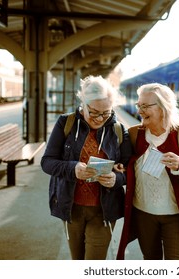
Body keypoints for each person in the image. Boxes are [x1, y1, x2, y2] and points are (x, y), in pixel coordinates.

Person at [40, 75, 132, 260]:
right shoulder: (65, 123)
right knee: (78, 260)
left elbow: (130, 170)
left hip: (104, 211)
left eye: (106, 112)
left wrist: (117, 179)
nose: (100, 118)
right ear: (83, 103)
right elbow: (47, 162)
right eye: (94, 112)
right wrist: (72, 169)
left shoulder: (119, 130)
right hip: (71, 207)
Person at [116, 83, 179, 260]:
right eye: (139, 105)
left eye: (145, 106)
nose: (140, 111)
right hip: (143, 215)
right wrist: (120, 168)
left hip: (176, 216)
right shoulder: (135, 134)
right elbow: (124, 164)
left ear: (164, 107)